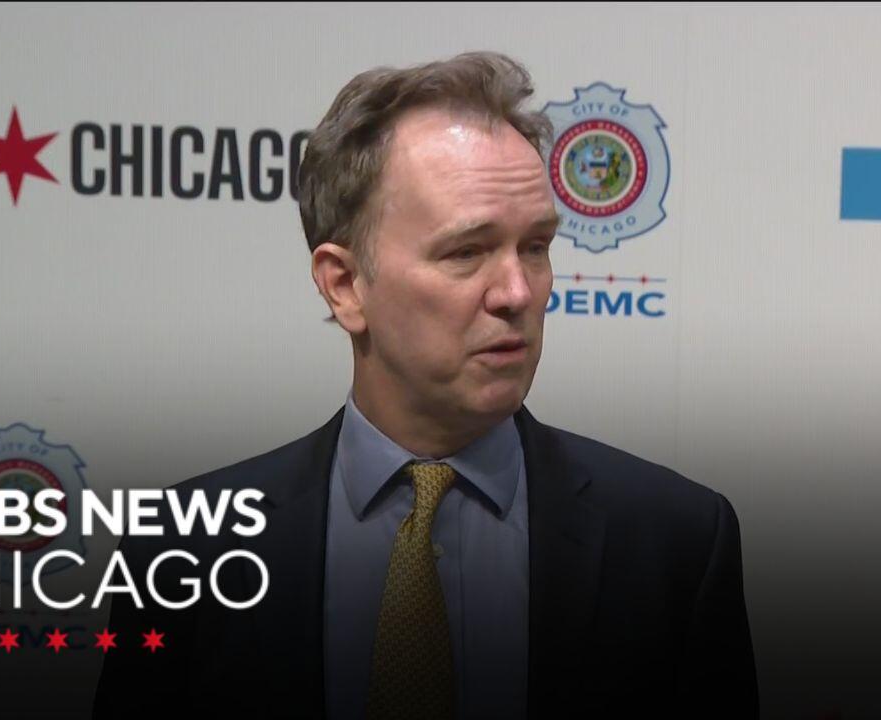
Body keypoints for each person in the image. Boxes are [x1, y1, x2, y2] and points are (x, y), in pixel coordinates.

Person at [94, 51, 757, 719]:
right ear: (345, 285)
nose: (517, 292)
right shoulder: (185, 546)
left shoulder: (675, 544)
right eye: (466, 251)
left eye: (535, 247)